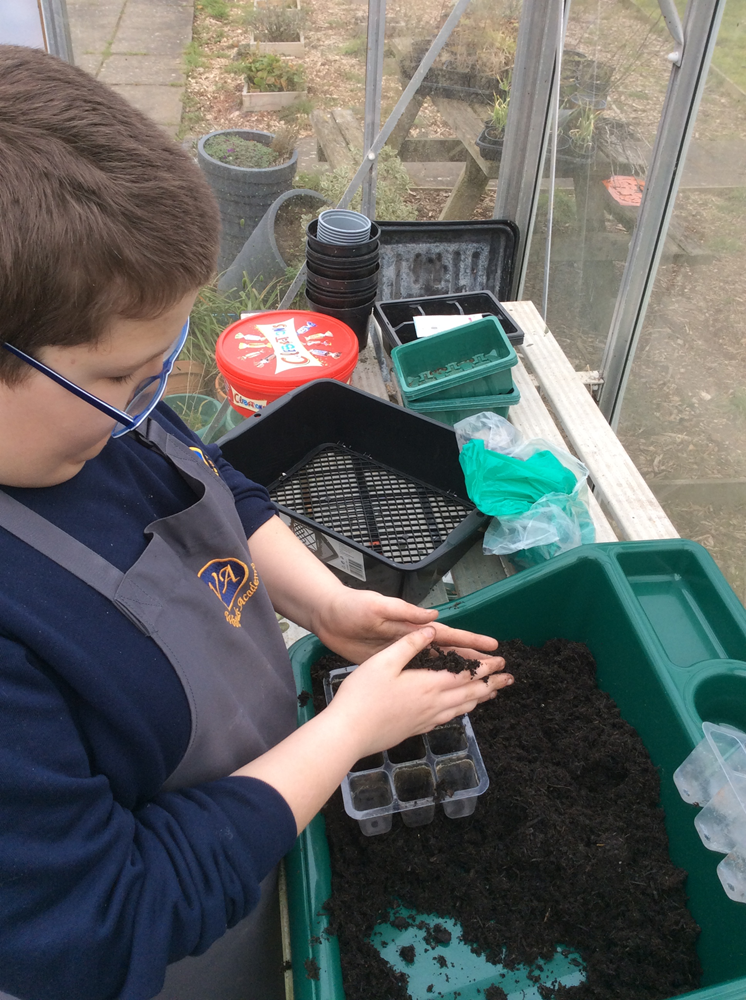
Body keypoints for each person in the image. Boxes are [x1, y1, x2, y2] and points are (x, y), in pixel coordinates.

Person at [0, 44, 513, 1000]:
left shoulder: (84, 418)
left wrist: (322, 600)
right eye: (120, 377)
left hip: (268, 811)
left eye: (164, 364)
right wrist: (347, 732)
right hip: (172, 947)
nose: (147, 401)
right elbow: (106, 920)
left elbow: (204, 479)